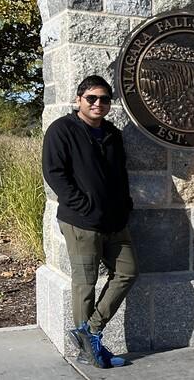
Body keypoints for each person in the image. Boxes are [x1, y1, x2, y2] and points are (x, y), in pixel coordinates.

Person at [42, 75, 137, 368]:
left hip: (115, 221)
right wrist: (83, 206)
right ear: (78, 100)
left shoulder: (112, 133)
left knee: (128, 271)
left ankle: (90, 332)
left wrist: (125, 205)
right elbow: (55, 173)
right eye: (92, 98)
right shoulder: (62, 130)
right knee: (86, 282)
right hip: (81, 221)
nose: (98, 104)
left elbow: (120, 175)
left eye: (105, 99)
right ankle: (88, 350)